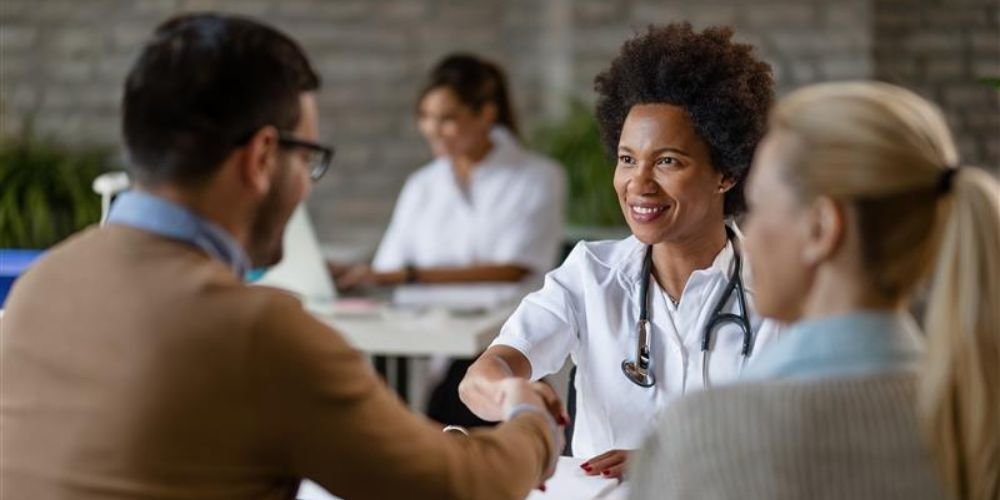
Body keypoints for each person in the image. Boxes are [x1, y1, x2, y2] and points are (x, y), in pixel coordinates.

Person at [0, 13, 563, 499]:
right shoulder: (258, 331)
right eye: (309, 158)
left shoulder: (38, 288)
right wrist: (529, 416)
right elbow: (461, 488)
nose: (307, 185)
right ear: (264, 156)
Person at [628, 82, 999, 500]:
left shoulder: (703, 438)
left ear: (821, 228)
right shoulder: (978, 423)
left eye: (760, 206)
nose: (752, 232)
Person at [460, 23, 782, 479]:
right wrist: (512, 396)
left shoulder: (779, 291)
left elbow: (796, 439)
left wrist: (672, 461)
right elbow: (482, 375)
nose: (639, 184)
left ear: (726, 173)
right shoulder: (591, 275)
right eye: (628, 159)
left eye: (667, 161)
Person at [333, 53, 567, 427]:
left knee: (455, 416)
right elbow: (389, 268)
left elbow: (513, 268)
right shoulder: (422, 184)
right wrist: (360, 275)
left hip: (492, 341)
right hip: (425, 340)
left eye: (447, 119)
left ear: (486, 114)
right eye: (425, 117)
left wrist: (406, 277)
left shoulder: (537, 177)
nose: (432, 129)